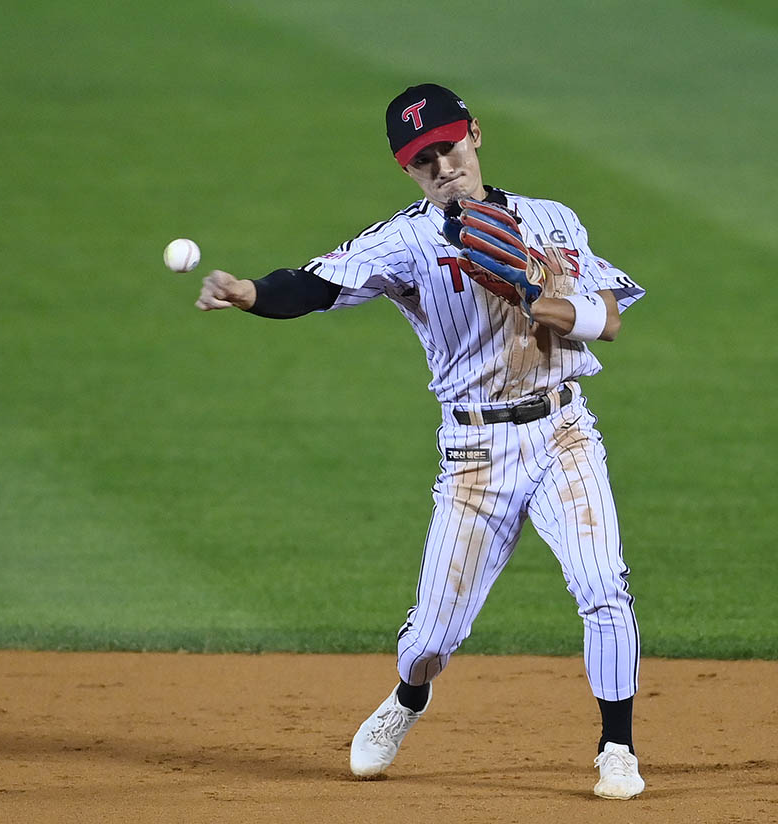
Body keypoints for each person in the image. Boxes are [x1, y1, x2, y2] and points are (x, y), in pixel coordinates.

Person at [196, 83, 646, 800]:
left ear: (474, 135)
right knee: (431, 638)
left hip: (564, 432)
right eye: (421, 159)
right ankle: (408, 698)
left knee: (603, 588)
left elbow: (609, 317)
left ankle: (617, 746)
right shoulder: (403, 241)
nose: (440, 165)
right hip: (474, 458)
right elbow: (312, 285)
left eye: (448, 146)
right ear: (408, 170)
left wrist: (531, 294)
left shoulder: (551, 220)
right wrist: (250, 292)